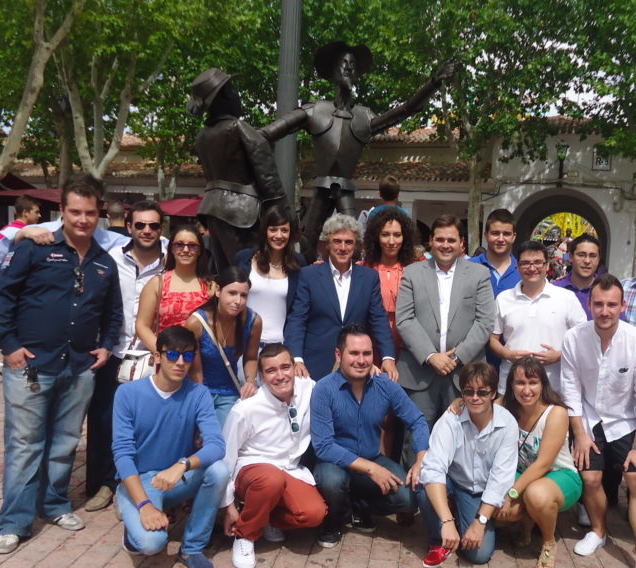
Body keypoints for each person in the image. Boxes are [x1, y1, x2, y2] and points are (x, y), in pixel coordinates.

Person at [0, 174, 122, 554]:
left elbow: (113, 314)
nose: (82, 220)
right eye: (75, 211)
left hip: (79, 367)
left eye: (90, 213)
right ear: (61, 211)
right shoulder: (35, 247)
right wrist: (8, 345)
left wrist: (107, 347)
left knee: (63, 443)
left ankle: (55, 504)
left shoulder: (104, 263)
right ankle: (14, 522)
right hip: (31, 364)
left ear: (100, 214)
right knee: (25, 445)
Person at [260, 42, 455, 258]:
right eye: (343, 63)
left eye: (352, 64)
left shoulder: (364, 117)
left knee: (355, 243)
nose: (348, 68)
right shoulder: (315, 110)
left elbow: (405, 110)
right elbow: (267, 134)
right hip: (322, 186)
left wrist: (433, 84)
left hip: (345, 188)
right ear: (332, 70)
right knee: (308, 241)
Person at [560, 274, 636, 568]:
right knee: (590, 478)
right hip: (589, 419)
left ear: (622, 306)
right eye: (599, 304)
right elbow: (570, 390)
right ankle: (599, 532)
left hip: (626, 421)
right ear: (589, 304)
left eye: (611, 305)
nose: (604, 311)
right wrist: (579, 434)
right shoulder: (574, 338)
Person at [111, 326, 229, 568]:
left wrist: (183, 464)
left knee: (219, 470)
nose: (180, 362)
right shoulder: (127, 394)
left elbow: (216, 445)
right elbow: (122, 453)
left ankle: (192, 548)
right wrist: (144, 505)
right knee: (151, 545)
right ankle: (130, 509)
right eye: (172, 355)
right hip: (141, 481)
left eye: (187, 356)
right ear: (157, 357)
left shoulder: (199, 394)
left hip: (176, 477)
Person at [83, 200, 169, 512]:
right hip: (114, 352)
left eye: (154, 226)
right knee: (105, 420)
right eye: (141, 225)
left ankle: (133, 484)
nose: (147, 231)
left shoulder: (172, 261)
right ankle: (104, 484)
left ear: (162, 229)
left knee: (146, 424)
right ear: (129, 227)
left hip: (154, 356)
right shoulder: (109, 259)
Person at [310, 325, 430, 547]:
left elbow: (417, 420)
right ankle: (333, 521)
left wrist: (421, 458)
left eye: (367, 353)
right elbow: (324, 446)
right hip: (334, 463)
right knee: (332, 481)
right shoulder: (323, 389)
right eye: (354, 353)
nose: (361, 360)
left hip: (371, 456)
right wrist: (372, 469)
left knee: (408, 499)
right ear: (339, 355)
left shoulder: (384, 385)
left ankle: (359, 505)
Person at [221, 344, 326, 568]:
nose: (280, 376)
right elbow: (225, 459)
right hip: (253, 469)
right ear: (261, 376)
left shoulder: (308, 388)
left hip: (289, 468)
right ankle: (245, 536)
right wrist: (227, 504)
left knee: (314, 514)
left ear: (295, 367)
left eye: (285, 367)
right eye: (271, 371)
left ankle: (263, 517)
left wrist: (372, 371)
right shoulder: (246, 408)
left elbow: (335, 386)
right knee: (270, 480)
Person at [395, 214, 496, 430]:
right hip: (420, 375)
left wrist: (457, 357)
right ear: (430, 241)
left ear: (461, 243)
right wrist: (431, 357)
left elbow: (485, 321)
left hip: (465, 375)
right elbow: (404, 319)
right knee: (417, 441)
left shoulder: (479, 274)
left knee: (463, 441)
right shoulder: (412, 273)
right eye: (440, 240)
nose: (445, 245)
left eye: (451, 240)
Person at [417, 362, 518, 567]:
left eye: (482, 392)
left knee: (479, 555)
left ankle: (463, 520)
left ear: (493, 394)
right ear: (462, 393)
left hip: (481, 491)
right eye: (468, 391)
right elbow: (434, 468)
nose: (475, 397)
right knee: (422, 485)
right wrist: (447, 522)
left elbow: (500, 480)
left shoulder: (507, 424)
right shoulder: (451, 418)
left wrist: (479, 522)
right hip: (453, 481)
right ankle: (439, 539)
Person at [189, 68, 285, 268]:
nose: (237, 95)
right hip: (242, 215)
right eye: (232, 90)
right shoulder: (238, 128)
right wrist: (286, 215)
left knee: (226, 274)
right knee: (248, 273)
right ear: (223, 97)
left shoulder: (202, 136)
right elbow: (268, 178)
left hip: (213, 210)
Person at [284, 214, 398, 381]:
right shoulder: (308, 275)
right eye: (337, 241)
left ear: (356, 245)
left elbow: (379, 319)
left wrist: (388, 357)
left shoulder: (369, 278)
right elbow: (297, 320)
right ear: (328, 244)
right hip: (314, 364)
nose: (343, 247)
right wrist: (296, 359)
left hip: (356, 365)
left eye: (349, 242)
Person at [496, 357, 581, 568]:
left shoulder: (556, 412)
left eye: (532, 383)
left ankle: (548, 541)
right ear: (511, 385)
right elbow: (478, 404)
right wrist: (458, 403)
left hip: (558, 475)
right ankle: (527, 520)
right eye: (520, 383)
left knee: (536, 495)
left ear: (543, 384)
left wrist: (512, 493)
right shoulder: (506, 405)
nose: (526, 390)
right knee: (500, 511)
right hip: (523, 473)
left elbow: (543, 464)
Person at [488, 240, 586, 394]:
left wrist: (560, 355)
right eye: (526, 263)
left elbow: (583, 338)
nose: (532, 268)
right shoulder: (504, 298)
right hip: (512, 385)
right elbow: (493, 339)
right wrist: (507, 354)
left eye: (538, 263)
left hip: (554, 387)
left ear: (547, 266)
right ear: (518, 267)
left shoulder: (566, 298)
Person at [185, 267, 262, 425]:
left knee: (224, 440)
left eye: (243, 295)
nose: (238, 301)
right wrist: (200, 410)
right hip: (198, 390)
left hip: (230, 392)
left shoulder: (253, 321)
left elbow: (251, 357)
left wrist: (251, 381)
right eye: (232, 293)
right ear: (218, 291)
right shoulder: (196, 323)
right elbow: (195, 372)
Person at [136, 223, 214, 354]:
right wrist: (163, 352)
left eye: (192, 245)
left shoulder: (210, 286)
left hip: (202, 360)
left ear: (200, 250)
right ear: (171, 248)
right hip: (167, 361)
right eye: (179, 244)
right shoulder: (157, 283)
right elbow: (142, 325)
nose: (185, 250)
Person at [234, 204, 306, 346]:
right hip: (245, 346)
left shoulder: (299, 264)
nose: (279, 235)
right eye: (273, 230)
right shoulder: (244, 259)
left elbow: (298, 311)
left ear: (291, 233)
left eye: (284, 230)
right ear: (265, 231)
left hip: (279, 348)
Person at [359, 206, 421, 362]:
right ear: (376, 237)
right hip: (368, 349)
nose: (391, 241)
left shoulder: (417, 269)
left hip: (408, 350)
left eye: (397, 235)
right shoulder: (361, 269)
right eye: (385, 235)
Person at [0, 196, 42, 301]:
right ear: (25, 213)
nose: (39, 215)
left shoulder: (4, 231)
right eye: (36, 212)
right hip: (15, 287)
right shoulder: (15, 233)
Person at [468, 209, 519, 298]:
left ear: (513, 237)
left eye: (506, 234)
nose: (500, 239)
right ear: (486, 235)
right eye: (495, 233)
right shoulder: (469, 266)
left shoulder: (523, 271)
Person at [552, 233, 604, 320]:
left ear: (599, 259)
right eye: (581, 255)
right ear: (571, 257)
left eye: (593, 256)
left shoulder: (607, 290)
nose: (587, 261)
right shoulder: (554, 289)